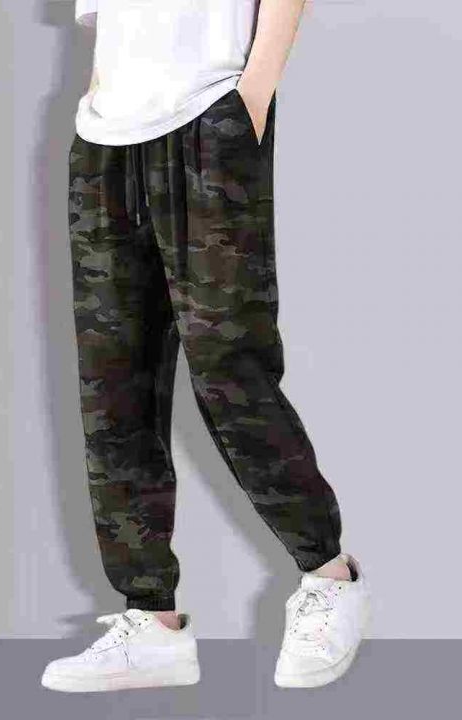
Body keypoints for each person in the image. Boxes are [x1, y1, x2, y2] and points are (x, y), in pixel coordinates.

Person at [41, 0, 371, 693]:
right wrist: (96, 103)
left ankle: (328, 574)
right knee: (113, 386)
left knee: (229, 365)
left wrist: (251, 99)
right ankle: (150, 620)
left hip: (210, 118)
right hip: (103, 142)